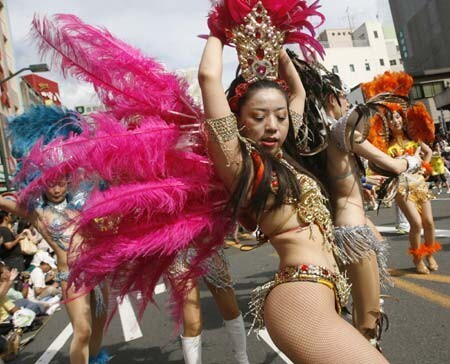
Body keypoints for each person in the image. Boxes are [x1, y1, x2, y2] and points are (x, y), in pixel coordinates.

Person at [198, 2, 388, 362]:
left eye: (280, 117)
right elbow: (208, 77)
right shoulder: (242, 165)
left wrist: (281, 43)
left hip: (326, 291)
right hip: (300, 295)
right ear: (239, 123)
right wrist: (220, 28)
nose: (272, 125)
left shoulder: (286, 158)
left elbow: (297, 94)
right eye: (258, 116)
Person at [363, 71, 441, 275]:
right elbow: (378, 165)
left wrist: (425, 168)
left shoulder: (413, 139)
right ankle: (417, 259)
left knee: (430, 222)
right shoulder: (384, 146)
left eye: (398, 117)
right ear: (387, 123)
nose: (395, 121)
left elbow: (429, 151)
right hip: (401, 189)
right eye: (392, 118)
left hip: (420, 185)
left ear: (402, 119)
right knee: (416, 224)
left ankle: (430, 254)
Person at [168, 247, 249, 364]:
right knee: (193, 324)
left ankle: (243, 360)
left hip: (207, 245)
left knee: (231, 309)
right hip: (177, 252)